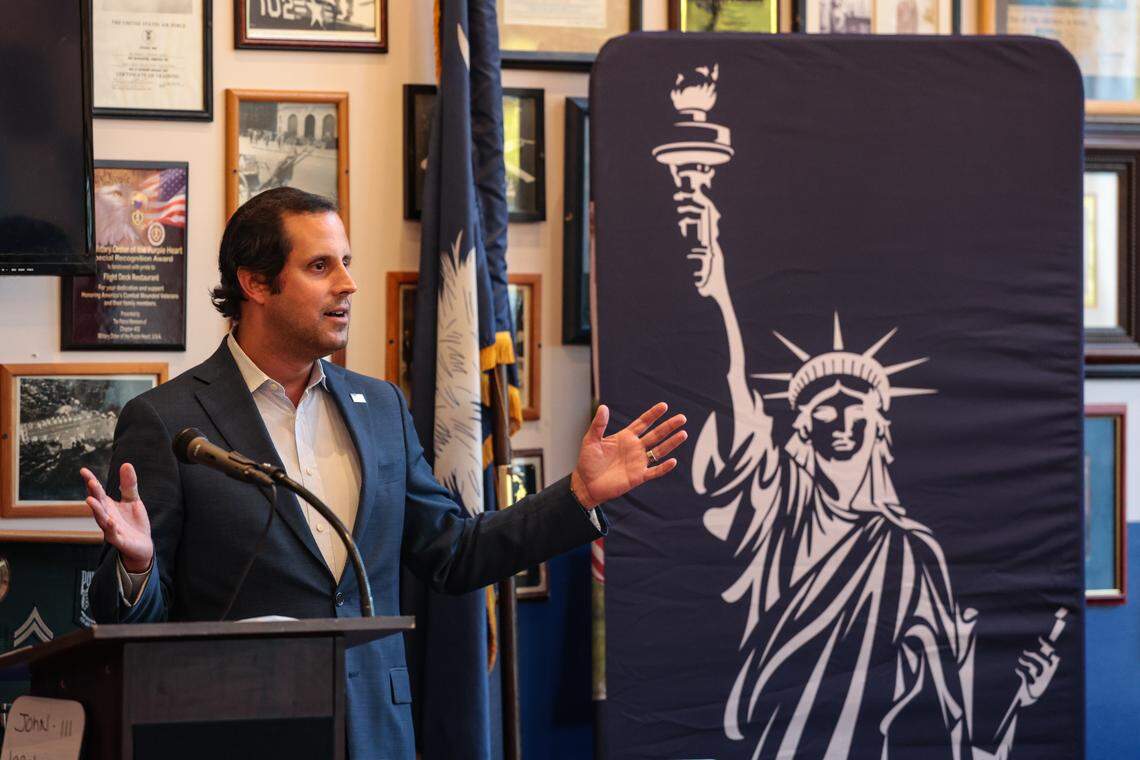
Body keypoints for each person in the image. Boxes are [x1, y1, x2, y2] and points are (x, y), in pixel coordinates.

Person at [81, 187, 687, 760]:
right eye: (321, 267)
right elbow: (129, 620)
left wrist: (578, 496)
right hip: (240, 728)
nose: (348, 284)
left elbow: (453, 553)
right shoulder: (168, 420)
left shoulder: (383, 409)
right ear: (255, 283)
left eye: (346, 261)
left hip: (378, 727)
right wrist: (135, 566)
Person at [659, 67, 1060, 759]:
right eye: (823, 411)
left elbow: (947, 716)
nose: (841, 422)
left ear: (882, 430)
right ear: (800, 431)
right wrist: (715, 276)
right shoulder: (781, 505)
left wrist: (1017, 701)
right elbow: (729, 380)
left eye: (857, 411)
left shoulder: (911, 552)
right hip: (780, 740)